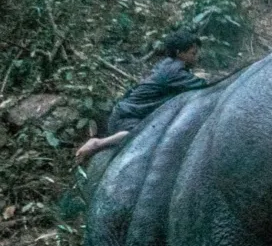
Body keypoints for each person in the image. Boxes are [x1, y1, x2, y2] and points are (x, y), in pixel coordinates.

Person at [76, 31, 210, 164]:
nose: (196, 57)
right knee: (141, 137)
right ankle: (98, 143)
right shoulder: (174, 72)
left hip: (126, 112)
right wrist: (201, 78)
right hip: (127, 118)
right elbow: (202, 85)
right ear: (179, 52)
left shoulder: (169, 65)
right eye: (193, 53)